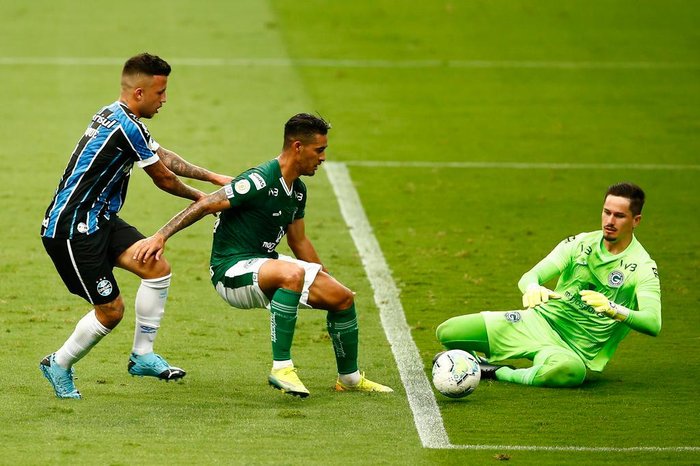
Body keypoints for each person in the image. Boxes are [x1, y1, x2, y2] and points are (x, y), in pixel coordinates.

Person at [132, 113, 393, 397]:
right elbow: (206, 204)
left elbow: (299, 241)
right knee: (292, 274)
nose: (323, 158)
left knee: (341, 298)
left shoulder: (298, 191)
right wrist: (161, 236)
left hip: (263, 262)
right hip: (230, 270)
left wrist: (325, 276)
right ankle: (282, 368)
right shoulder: (259, 180)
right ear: (297, 147)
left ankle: (349, 378)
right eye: (319, 150)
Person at [39, 53, 232, 399]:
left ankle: (142, 356)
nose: (165, 99)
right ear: (139, 93)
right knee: (111, 311)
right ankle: (58, 363)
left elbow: (163, 156)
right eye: (160, 92)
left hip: (100, 219)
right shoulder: (126, 127)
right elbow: (164, 178)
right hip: (71, 231)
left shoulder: (118, 116)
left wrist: (214, 177)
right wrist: (204, 200)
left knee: (156, 266)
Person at [436, 182, 661, 387]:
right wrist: (532, 288)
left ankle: (498, 372)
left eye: (619, 216)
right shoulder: (579, 243)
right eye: (606, 212)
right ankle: (473, 363)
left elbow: (653, 323)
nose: (609, 221)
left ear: (636, 220)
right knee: (448, 332)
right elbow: (531, 276)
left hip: (570, 349)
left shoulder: (642, 266)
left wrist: (613, 309)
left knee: (571, 372)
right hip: (537, 322)